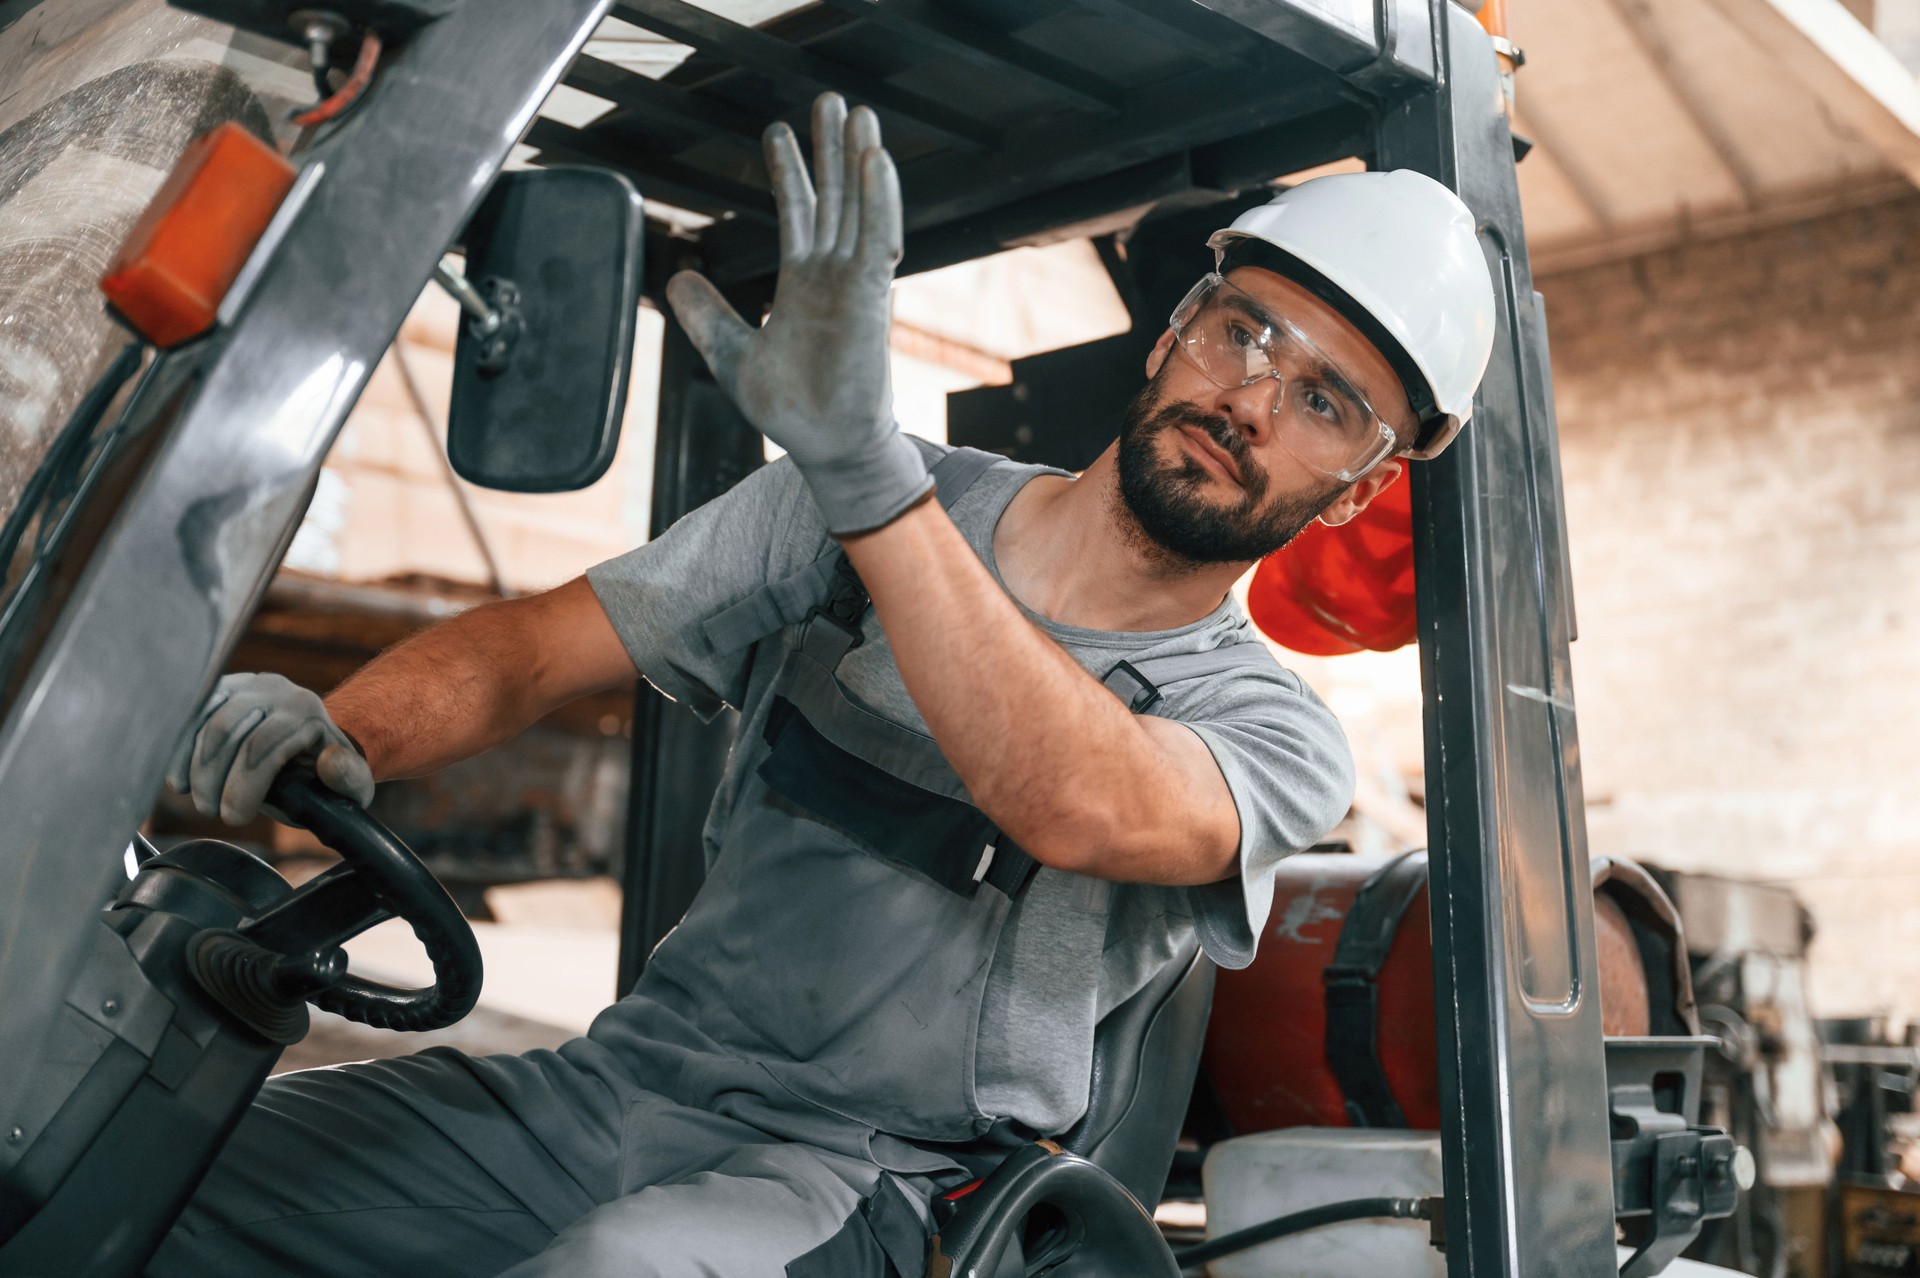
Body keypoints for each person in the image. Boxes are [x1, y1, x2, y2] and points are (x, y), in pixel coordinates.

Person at [148, 93, 1495, 1278]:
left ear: (1360, 487)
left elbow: (1074, 799)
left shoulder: (1271, 734)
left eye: (1327, 404)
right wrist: (340, 735)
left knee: (623, 1267)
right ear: (1174, 335)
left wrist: (865, 474)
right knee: (148, 1170)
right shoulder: (835, 512)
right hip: (620, 1088)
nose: (1254, 401)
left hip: (889, 1186)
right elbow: (535, 649)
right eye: (1244, 334)